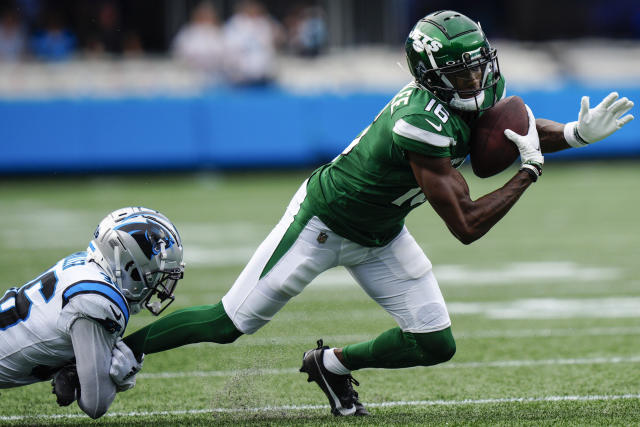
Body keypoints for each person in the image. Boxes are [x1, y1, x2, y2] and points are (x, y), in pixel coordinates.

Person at [122, 10, 634, 416]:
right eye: (461, 72)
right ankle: (123, 350)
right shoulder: (418, 123)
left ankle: (330, 364)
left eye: (480, 65)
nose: (477, 79)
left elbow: (509, 132)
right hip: (322, 222)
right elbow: (467, 225)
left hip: (381, 231)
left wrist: (572, 134)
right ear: (432, 77)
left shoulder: (474, 90)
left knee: (435, 342)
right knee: (229, 322)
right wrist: (529, 173)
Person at [0, 207, 185, 419]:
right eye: (154, 274)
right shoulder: (100, 300)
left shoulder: (85, 265)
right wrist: (121, 379)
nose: (158, 284)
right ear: (130, 264)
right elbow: (95, 403)